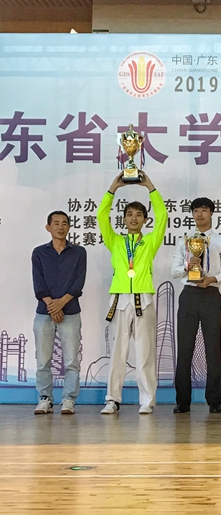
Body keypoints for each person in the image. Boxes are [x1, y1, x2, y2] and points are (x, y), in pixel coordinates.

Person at [97, 171, 168, 415]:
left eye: (139, 214)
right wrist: (112, 189)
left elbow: (163, 216)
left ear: (145, 220)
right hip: (119, 299)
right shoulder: (115, 241)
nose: (134, 218)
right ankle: (112, 399)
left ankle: (147, 400)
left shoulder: (149, 242)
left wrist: (150, 186)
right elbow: (101, 216)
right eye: (129, 214)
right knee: (117, 352)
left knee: (145, 352)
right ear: (124, 219)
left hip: (143, 300)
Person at [171, 197, 221, 414]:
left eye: (204, 210)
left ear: (211, 213)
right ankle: (182, 401)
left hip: (211, 295)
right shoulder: (184, 240)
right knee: (184, 349)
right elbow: (174, 271)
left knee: (213, 349)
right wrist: (188, 267)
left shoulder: (220, 241)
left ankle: (214, 401)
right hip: (189, 295)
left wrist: (212, 279)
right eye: (196, 210)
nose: (200, 214)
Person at [31, 211, 87, 415]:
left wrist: (61, 303)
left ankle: (69, 400)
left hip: (70, 312)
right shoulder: (39, 252)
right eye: (56, 223)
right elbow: (38, 283)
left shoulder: (79, 252)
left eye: (64, 223)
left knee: (71, 361)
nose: (60, 227)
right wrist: (51, 305)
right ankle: (44, 398)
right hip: (44, 313)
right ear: (48, 227)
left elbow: (78, 282)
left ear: (69, 227)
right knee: (43, 360)